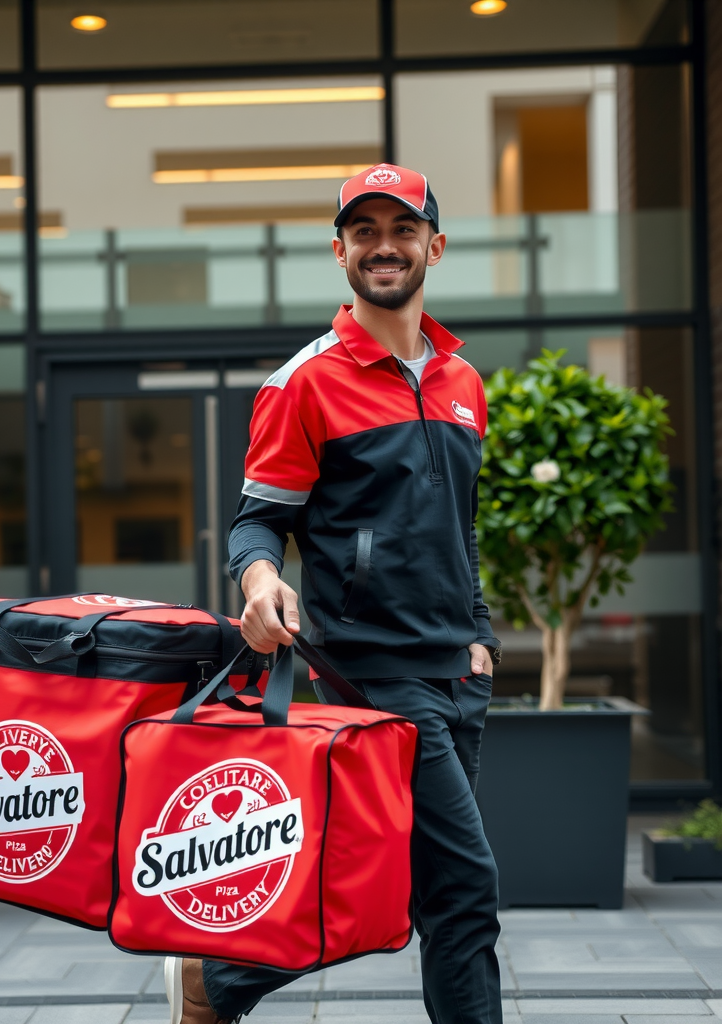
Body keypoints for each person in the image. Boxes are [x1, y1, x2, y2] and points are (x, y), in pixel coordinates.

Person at [165, 163, 504, 1024]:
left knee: (408, 884)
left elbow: (460, 528)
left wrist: (480, 635)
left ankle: (217, 981)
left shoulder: (463, 382)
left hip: (458, 672)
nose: (384, 246)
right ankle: (218, 982)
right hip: (372, 672)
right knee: (466, 885)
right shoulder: (304, 383)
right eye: (364, 232)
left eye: (402, 229)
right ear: (339, 251)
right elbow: (256, 523)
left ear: (434, 246)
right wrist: (262, 581)